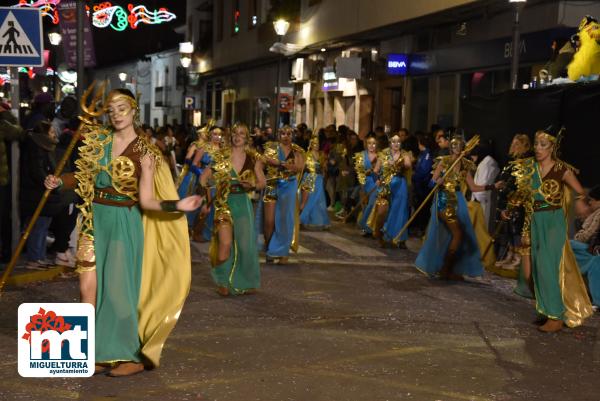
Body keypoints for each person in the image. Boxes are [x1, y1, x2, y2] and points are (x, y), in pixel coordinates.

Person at [44, 88, 202, 376]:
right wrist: (60, 181)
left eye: (122, 108)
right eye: (111, 109)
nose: (116, 114)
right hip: (94, 221)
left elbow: (147, 201)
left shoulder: (145, 151)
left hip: (122, 222)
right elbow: (82, 177)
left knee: (118, 293)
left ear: (133, 110)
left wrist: (178, 204)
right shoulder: (99, 141)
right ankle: (94, 351)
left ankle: (131, 355)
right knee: (87, 289)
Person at [508, 127, 593, 332]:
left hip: (553, 222)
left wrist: (581, 202)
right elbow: (524, 197)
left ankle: (555, 317)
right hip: (535, 220)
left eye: (543, 145)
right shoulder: (530, 168)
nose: (538, 148)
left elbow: (580, 191)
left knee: (547, 268)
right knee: (536, 270)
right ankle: (546, 310)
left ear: (552, 147)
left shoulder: (561, 169)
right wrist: (511, 209)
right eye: (536, 144)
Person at [415, 134, 496, 280]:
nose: (456, 147)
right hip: (444, 201)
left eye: (459, 145)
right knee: (457, 233)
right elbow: (431, 183)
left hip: (458, 202)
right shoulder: (444, 162)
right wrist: (438, 181)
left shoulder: (465, 165)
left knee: (456, 236)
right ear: (450, 147)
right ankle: (445, 269)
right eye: (453, 145)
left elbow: (473, 187)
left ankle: (448, 268)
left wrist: (493, 186)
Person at [200, 123, 265, 296]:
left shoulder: (253, 158)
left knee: (244, 246)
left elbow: (262, 183)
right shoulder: (222, 156)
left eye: (242, 134)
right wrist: (207, 197)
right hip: (224, 204)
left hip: (243, 203)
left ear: (247, 137)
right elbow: (204, 178)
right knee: (225, 244)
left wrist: (252, 185)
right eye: (235, 133)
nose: (237, 136)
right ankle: (221, 279)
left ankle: (242, 281)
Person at [20, 121, 62, 270]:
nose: (53, 134)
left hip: (41, 193)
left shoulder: (44, 147)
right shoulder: (37, 147)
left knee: (43, 226)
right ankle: (34, 258)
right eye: (51, 132)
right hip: (37, 194)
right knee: (38, 226)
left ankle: (39, 256)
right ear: (44, 134)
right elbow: (37, 171)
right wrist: (48, 181)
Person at [260, 125, 305, 264]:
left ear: (293, 135)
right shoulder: (271, 148)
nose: (286, 136)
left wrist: (281, 164)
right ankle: (269, 249)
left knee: (285, 220)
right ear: (278, 134)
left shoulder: (297, 151)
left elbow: (299, 168)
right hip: (272, 184)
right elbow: (262, 164)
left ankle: (282, 252)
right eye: (283, 133)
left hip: (288, 186)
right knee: (269, 221)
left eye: (289, 133)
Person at [370, 132, 412, 248]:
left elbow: (408, 164)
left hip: (400, 185)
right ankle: (379, 234)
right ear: (390, 143)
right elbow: (375, 170)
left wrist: (400, 164)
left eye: (398, 142)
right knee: (382, 211)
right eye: (393, 141)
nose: (396, 144)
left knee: (400, 211)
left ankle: (400, 238)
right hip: (385, 185)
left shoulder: (404, 154)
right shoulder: (383, 154)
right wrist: (377, 179)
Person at [0, 101, 23, 263]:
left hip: (2, 180)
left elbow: (18, 132)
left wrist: (4, 113)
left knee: (3, 217)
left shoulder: (2, 124)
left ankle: (6, 252)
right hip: (2, 180)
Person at [570, 186, 600, 307]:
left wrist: (577, 238)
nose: (590, 203)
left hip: (593, 248)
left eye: (591, 200)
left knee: (567, 245)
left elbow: (588, 234)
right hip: (592, 248)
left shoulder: (598, 214)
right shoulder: (595, 213)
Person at [299, 132, 330, 230]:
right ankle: (302, 219)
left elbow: (324, 167)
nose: (316, 146)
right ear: (311, 144)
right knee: (308, 199)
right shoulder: (306, 154)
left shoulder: (321, 154)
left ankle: (319, 221)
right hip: (309, 178)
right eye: (314, 144)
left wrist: (324, 167)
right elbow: (302, 168)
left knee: (319, 199)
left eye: (318, 144)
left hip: (319, 179)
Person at [354, 132, 379, 237]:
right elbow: (359, 172)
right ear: (366, 144)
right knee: (365, 206)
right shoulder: (361, 156)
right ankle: (366, 227)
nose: (371, 146)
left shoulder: (380, 156)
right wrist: (366, 174)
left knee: (373, 204)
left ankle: (370, 227)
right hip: (365, 183)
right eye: (369, 143)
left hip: (377, 183)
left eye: (374, 143)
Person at [411, 132, 433, 237]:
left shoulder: (427, 154)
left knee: (423, 208)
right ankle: (417, 226)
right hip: (418, 185)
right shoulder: (421, 154)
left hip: (423, 186)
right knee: (418, 206)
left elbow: (424, 170)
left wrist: (415, 177)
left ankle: (421, 228)